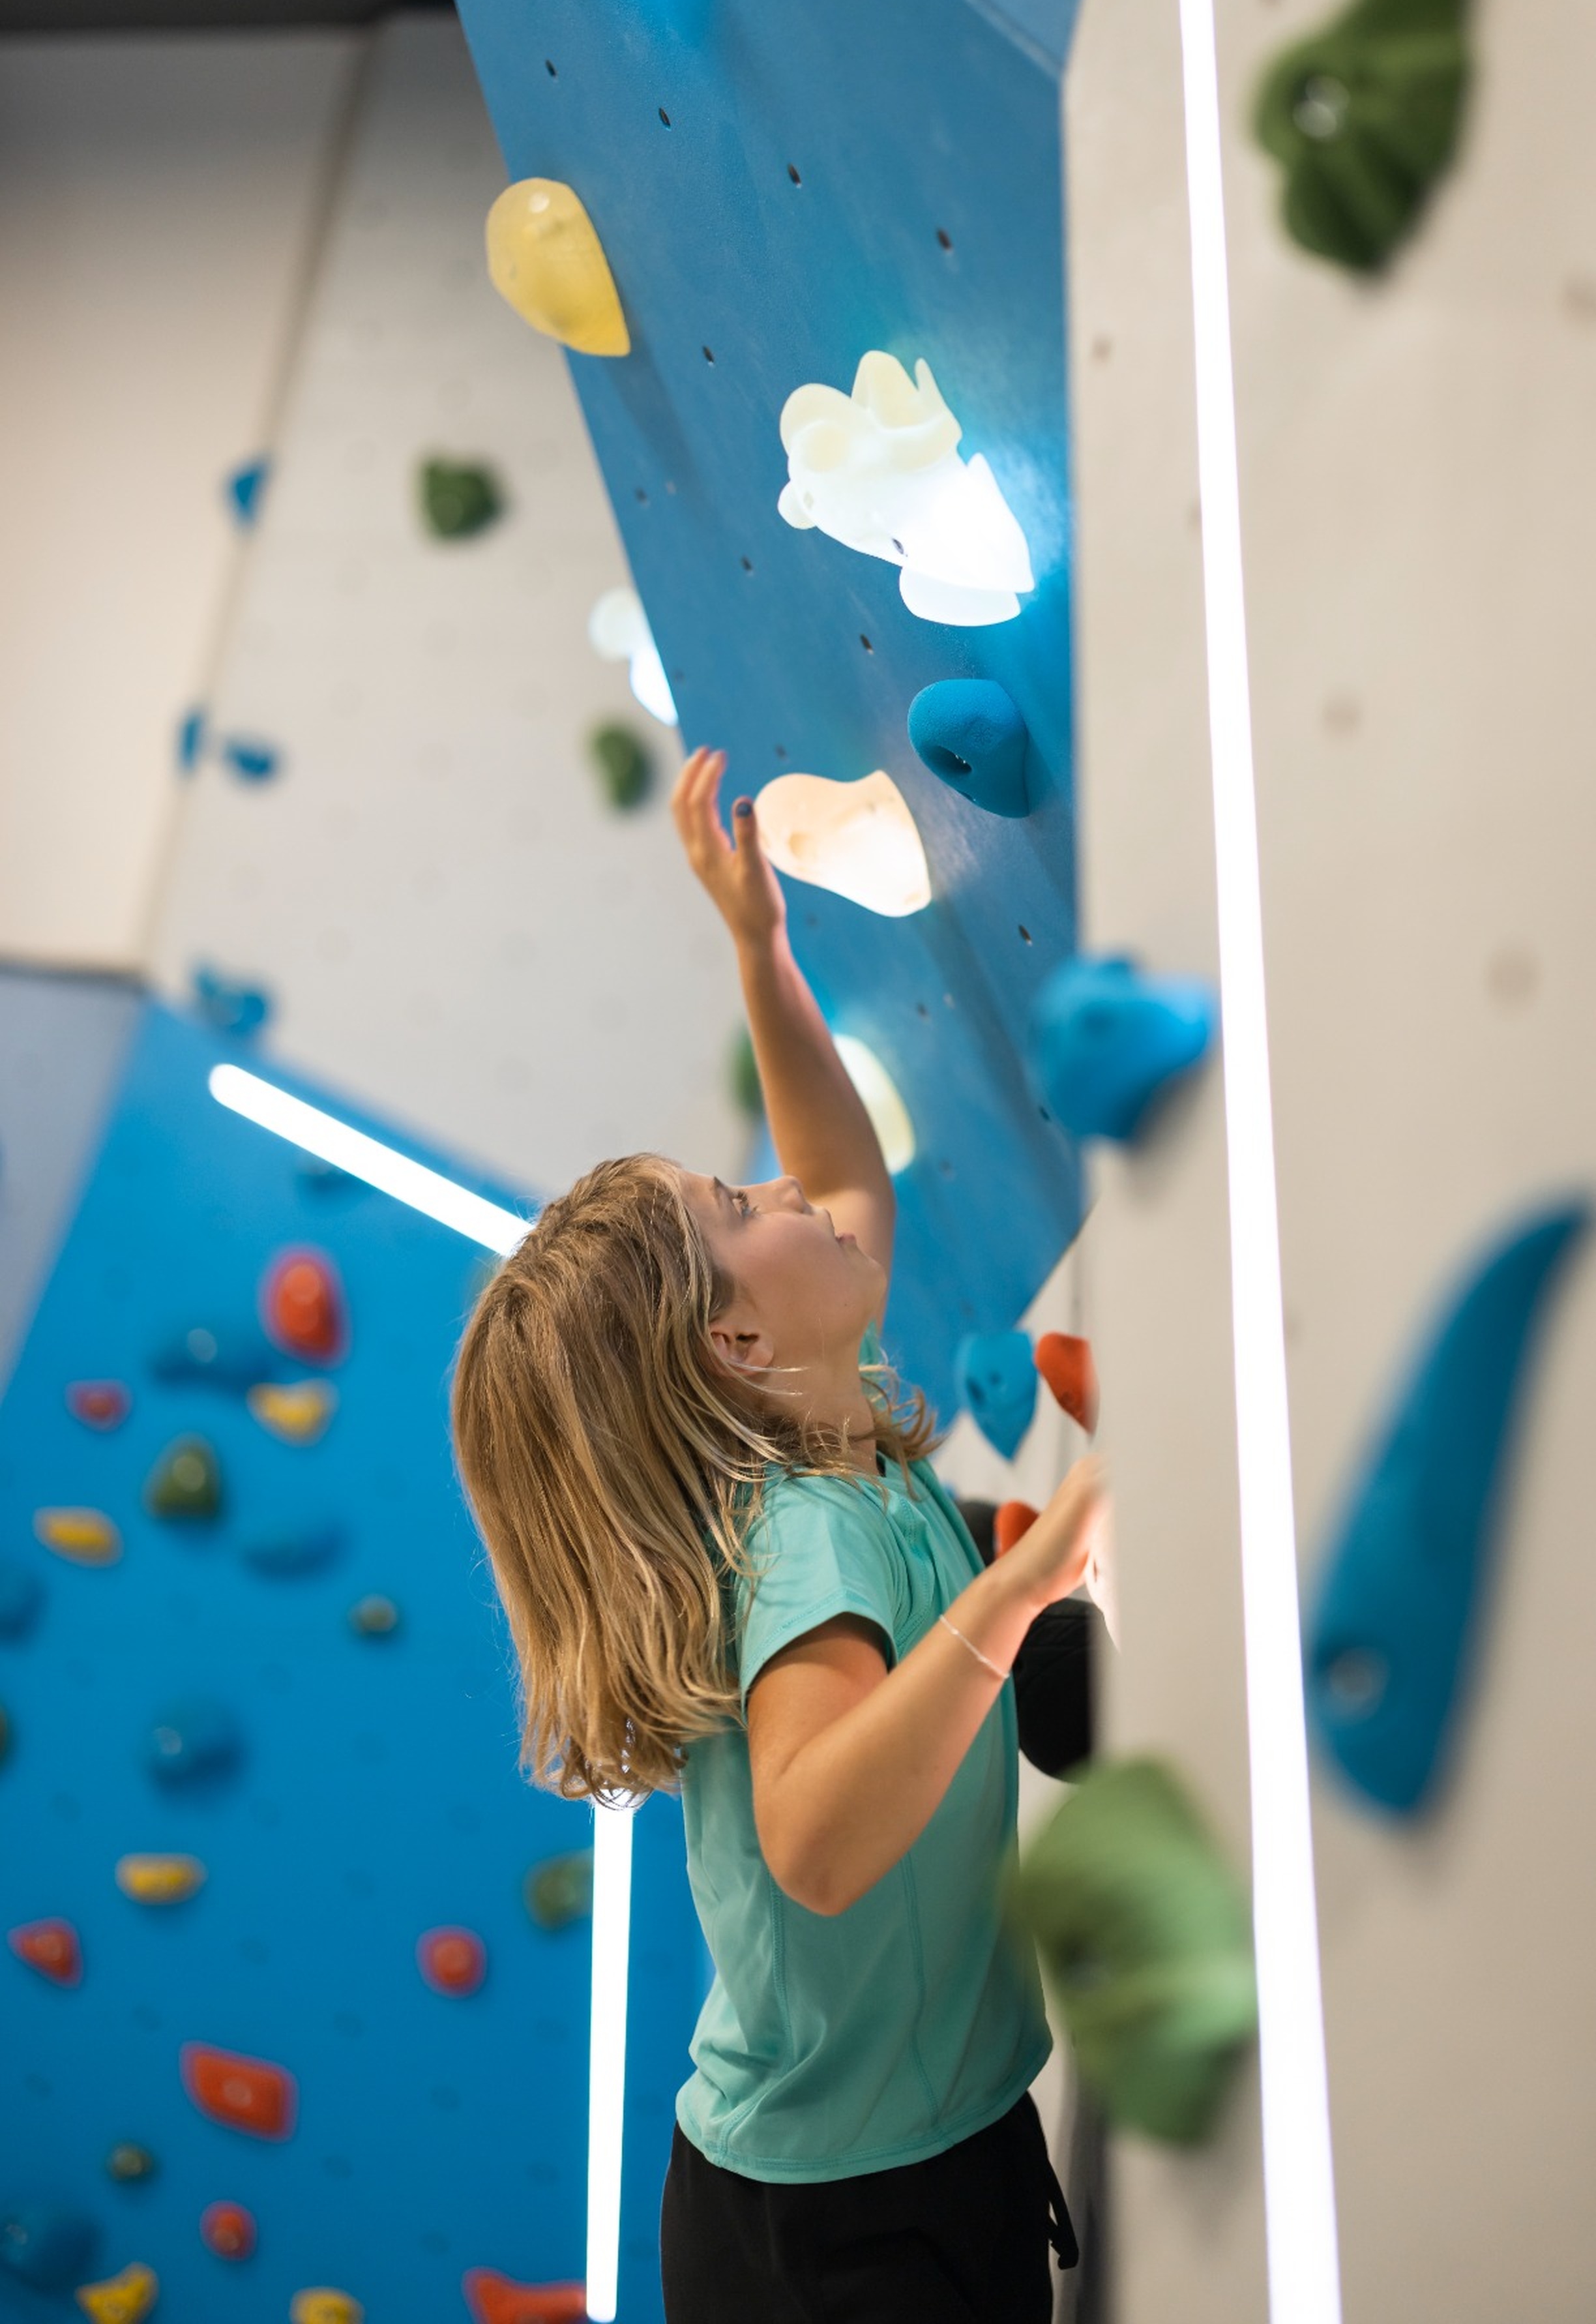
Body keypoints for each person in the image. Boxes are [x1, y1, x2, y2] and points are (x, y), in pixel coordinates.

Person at [452, 746, 1108, 2324]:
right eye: (741, 1207)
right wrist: (1021, 1584)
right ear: (739, 1346)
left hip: (854, 2174)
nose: (782, 1184)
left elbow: (839, 1173)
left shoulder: (821, 1419)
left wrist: (762, 949)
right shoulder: (805, 1534)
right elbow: (812, 1838)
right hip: (845, 2238)